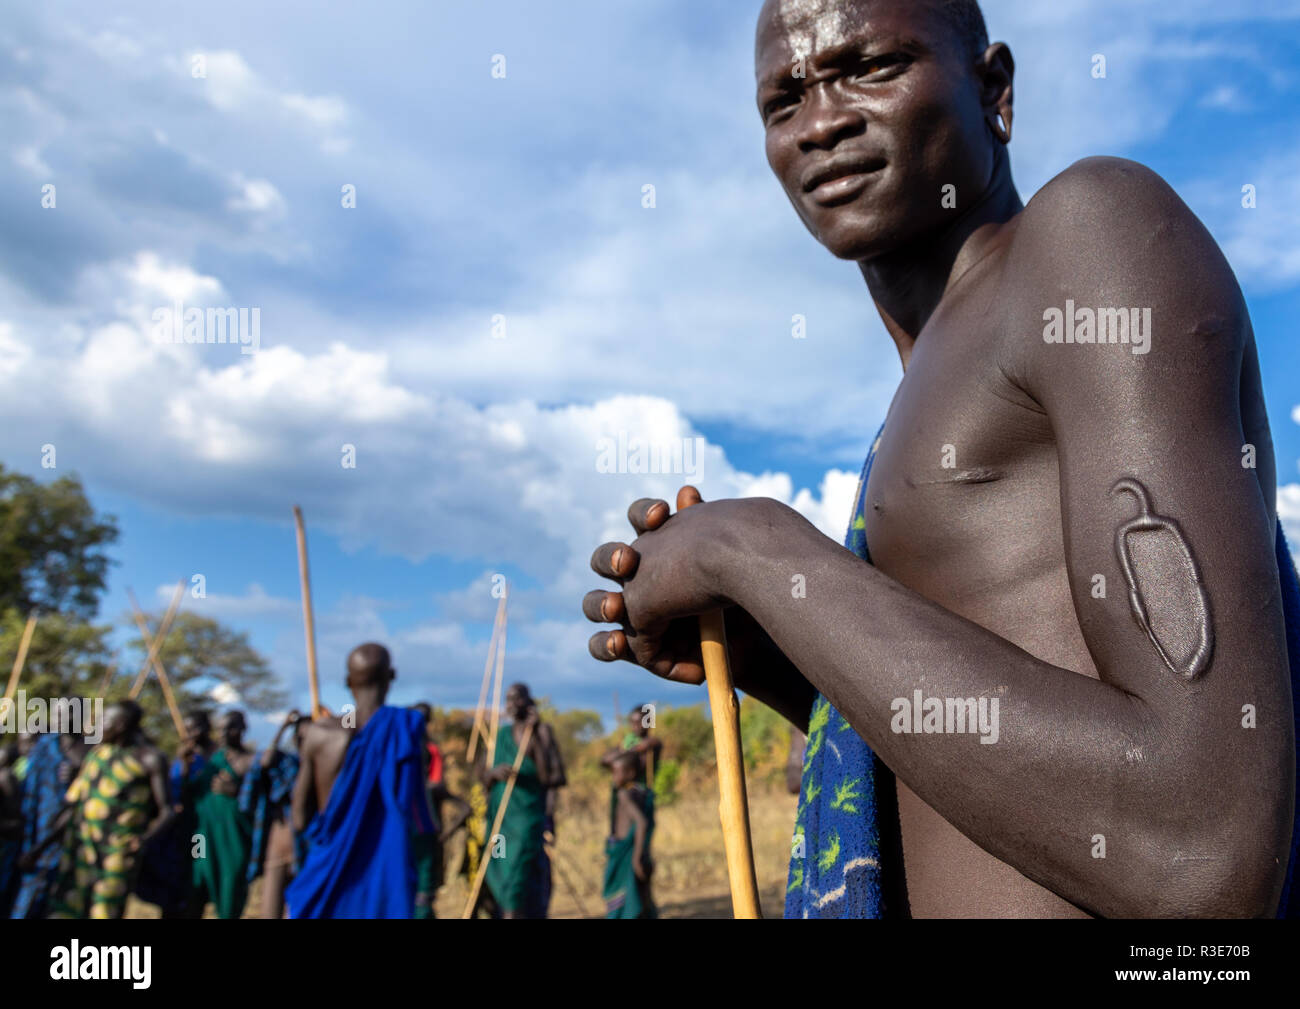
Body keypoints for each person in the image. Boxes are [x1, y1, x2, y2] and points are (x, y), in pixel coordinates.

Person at [584, 0, 1300, 918]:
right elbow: (999, 771)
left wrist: (760, 552)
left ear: (994, 90)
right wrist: (786, 646)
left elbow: (1201, 851)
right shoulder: (917, 399)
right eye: (785, 99)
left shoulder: (1089, 238)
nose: (823, 120)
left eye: (870, 67)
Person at [286, 643, 435, 918]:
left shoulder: (319, 734)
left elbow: (299, 817)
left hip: (328, 871)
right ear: (391, 676)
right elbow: (421, 817)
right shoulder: (406, 730)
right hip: (386, 878)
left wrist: (331, 843)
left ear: (346, 681)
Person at [33, 701, 172, 919]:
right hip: (80, 847)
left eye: (103, 721)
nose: (96, 726)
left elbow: (167, 811)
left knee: (104, 911)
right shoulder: (97, 754)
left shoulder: (149, 759)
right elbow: (74, 804)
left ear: (121, 725)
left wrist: (143, 840)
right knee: (64, 909)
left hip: (117, 852)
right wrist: (41, 847)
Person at [480, 683, 563, 919]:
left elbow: (552, 778)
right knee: (498, 870)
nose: (511, 704)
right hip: (500, 820)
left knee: (517, 874)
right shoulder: (499, 735)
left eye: (517, 699)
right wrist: (494, 774)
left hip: (526, 820)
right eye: (508, 699)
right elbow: (482, 776)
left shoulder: (540, 732)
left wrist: (535, 735)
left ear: (528, 701)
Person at [135, 709, 215, 917]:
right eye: (187, 730)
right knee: (176, 878)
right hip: (180, 831)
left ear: (208, 727)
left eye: (196, 728)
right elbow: (176, 791)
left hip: (204, 831)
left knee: (199, 871)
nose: (192, 734)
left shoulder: (217, 756)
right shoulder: (183, 760)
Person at [240, 710, 307, 919]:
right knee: (270, 910)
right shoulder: (287, 764)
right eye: (302, 735)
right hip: (277, 846)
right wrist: (283, 727)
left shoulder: (323, 765)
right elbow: (266, 762)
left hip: (305, 848)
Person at [9, 730, 79, 918]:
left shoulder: (84, 754)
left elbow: (73, 806)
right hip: (25, 837)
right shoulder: (44, 749)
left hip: (53, 844)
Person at [409, 702, 469, 919]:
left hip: (427, 831)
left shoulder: (430, 750)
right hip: (410, 834)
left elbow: (438, 786)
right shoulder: (403, 748)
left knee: (424, 895)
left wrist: (445, 833)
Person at [602, 750, 655, 919]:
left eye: (617, 772)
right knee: (640, 898)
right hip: (632, 852)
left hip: (627, 855)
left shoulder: (625, 794)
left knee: (625, 903)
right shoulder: (643, 792)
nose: (614, 777)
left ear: (630, 773)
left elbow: (641, 823)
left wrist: (636, 858)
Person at [601, 704, 663, 790]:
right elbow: (605, 759)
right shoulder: (628, 741)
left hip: (642, 788)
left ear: (648, 722)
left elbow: (639, 748)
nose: (636, 726)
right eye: (632, 723)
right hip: (623, 788)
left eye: (639, 722)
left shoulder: (652, 742)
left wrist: (623, 752)